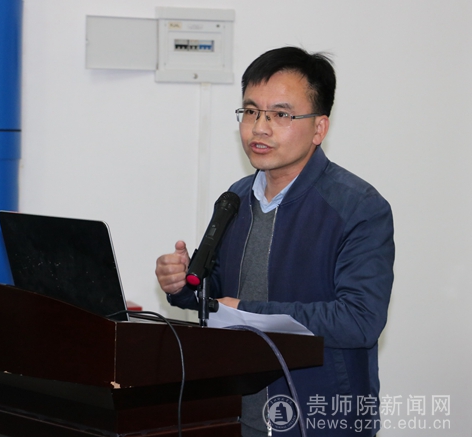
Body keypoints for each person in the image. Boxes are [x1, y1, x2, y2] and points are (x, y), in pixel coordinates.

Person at [155, 46, 394, 437]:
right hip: (239, 414)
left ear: (319, 128)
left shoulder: (359, 208)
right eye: (251, 112)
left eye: (281, 115)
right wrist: (183, 284)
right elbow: (217, 295)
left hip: (320, 421)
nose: (259, 128)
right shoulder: (235, 198)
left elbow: (360, 320)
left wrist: (248, 313)